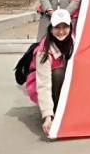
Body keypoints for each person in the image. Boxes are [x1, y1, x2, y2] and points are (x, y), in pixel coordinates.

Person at [26, 9, 74, 137]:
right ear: (50, 29)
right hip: (44, 82)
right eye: (57, 27)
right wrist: (48, 116)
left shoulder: (75, 42)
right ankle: (56, 111)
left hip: (64, 80)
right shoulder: (43, 52)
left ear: (70, 27)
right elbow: (44, 85)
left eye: (65, 27)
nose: (61, 31)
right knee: (58, 72)